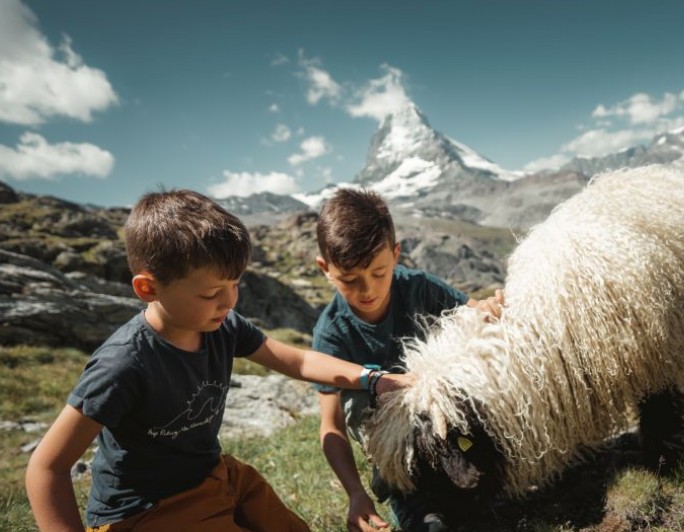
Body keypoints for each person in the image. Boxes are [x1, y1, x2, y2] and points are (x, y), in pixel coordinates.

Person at [25, 189, 412, 531]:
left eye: (235, 285)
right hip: (144, 511)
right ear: (148, 288)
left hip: (215, 476)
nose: (229, 302)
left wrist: (374, 379)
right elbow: (47, 467)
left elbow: (296, 362)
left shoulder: (222, 325)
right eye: (212, 292)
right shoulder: (122, 366)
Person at [311, 188, 502, 532]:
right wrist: (355, 493)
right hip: (395, 450)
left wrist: (488, 308)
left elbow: (473, 311)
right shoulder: (331, 335)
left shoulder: (420, 287)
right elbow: (332, 424)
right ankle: (410, 498)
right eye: (350, 280)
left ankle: (476, 469)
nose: (367, 290)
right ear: (325, 269)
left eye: (379, 273)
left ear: (396, 254)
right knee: (356, 396)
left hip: (450, 424)